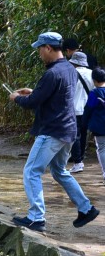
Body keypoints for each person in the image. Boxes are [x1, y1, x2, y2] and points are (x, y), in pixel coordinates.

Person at [9, 32, 98, 232]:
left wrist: (16, 97)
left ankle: (36, 217)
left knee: (31, 171)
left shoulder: (52, 73)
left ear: (48, 48)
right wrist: (34, 91)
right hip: (68, 130)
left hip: (52, 131)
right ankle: (86, 208)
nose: (39, 54)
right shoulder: (68, 68)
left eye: (40, 49)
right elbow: (57, 95)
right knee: (59, 171)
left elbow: (32, 104)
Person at [68, 51, 94, 172]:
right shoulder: (92, 73)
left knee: (75, 136)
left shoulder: (71, 73)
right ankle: (80, 158)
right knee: (83, 134)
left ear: (74, 62)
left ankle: (78, 162)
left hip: (75, 109)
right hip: (88, 109)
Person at [84, 68, 105, 181]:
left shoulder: (94, 93)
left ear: (94, 80)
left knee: (101, 148)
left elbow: (89, 108)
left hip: (99, 125)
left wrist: (84, 123)